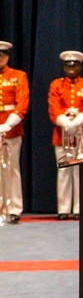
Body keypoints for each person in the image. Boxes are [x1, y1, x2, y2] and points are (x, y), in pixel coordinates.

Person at [47, 51, 83, 220]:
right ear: (64, 67)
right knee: (63, 172)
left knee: (80, 171)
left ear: (80, 67)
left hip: (81, 134)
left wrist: (75, 123)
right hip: (61, 134)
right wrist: (66, 123)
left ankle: (78, 208)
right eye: (68, 65)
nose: (71, 68)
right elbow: (53, 107)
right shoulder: (56, 85)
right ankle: (63, 208)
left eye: (74, 65)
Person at [0, 40, 29, 223]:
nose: (0, 58)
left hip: (11, 128)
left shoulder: (18, 76)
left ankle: (14, 208)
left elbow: (22, 103)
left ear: (8, 57)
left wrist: (8, 124)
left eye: (3, 55)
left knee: (12, 169)